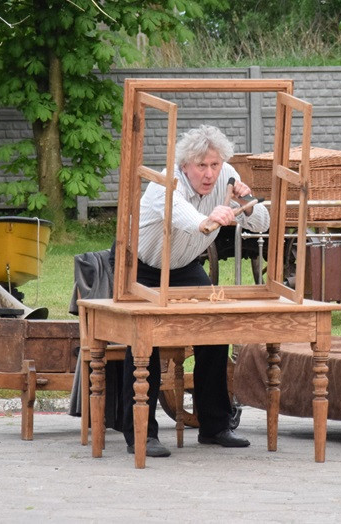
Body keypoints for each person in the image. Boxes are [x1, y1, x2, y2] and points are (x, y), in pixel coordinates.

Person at [120, 124, 270, 458]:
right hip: (141, 268)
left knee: (216, 330)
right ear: (184, 165)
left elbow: (263, 224)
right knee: (145, 342)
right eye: (201, 166)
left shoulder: (227, 175)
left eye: (214, 165)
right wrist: (214, 216)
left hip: (185, 267)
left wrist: (244, 200)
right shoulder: (165, 182)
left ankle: (215, 426)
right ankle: (142, 434)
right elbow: (190, 220)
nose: (209, 173)